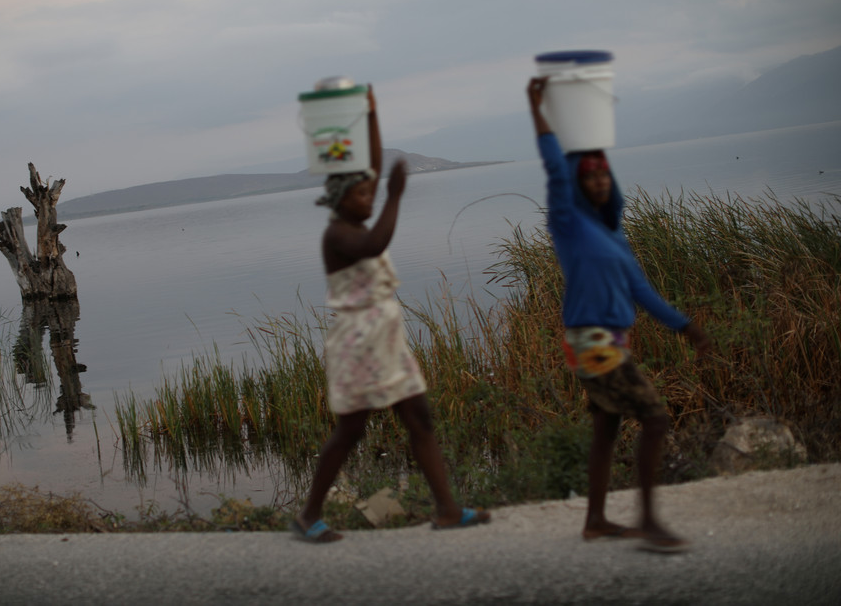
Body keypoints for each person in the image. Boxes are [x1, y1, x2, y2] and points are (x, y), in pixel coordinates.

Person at [291, 86, 491, 542]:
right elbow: (374, 245)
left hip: (385, 339)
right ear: (341, 198)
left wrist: (371, 115)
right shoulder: (340, 234)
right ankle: (308, 514)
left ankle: (446, 509)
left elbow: (375, 169)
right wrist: (399, 196)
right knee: (350, 431)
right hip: (359, 344)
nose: (371, 198)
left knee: (419, 417)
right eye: (363, 194)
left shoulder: (355, 217)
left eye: (373, 193)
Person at [526, 76, 712, 553]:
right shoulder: (569, 224)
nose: (598, 180)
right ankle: (648, 521)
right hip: (591, 341)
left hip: (613, 339)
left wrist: (685, 326)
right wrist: (540, 108)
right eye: (589, 176)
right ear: (579, 186)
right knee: (653, 417)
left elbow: (641, 292)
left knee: (606, 429)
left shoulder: (616, 237)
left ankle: (595, 521)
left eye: (603, 174)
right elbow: (554, 169)